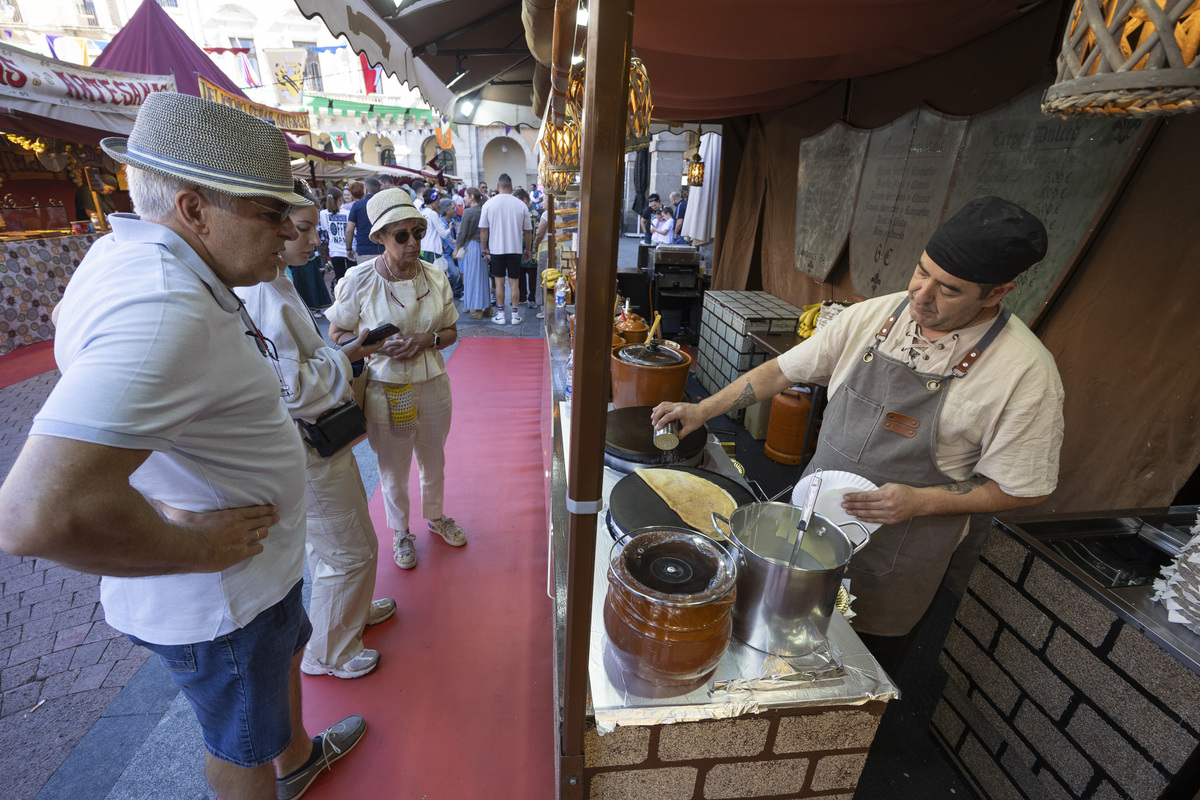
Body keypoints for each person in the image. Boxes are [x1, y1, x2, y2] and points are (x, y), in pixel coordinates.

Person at [0, 92, 365, 800]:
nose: (289, 227)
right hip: (224, 596)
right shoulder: (164, 304)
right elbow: (31, 517)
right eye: (268, 210)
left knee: (272, 698)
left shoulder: (145, 264)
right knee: (241, 746)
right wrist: (196, 547)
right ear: (195, 209)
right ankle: (280, 768)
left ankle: (299, 761)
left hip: (257, 580)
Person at [652, 196, 1064, 676]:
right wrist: (703, 408)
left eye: (948, 290)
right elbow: (781, 373)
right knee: (768, 648)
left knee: (859, 673)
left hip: (900, 551)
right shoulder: (875, 318)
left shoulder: (1025, 372)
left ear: (997, 293)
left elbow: (1021, 488)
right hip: (805, 527)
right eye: (920, 271)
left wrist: (920, 502)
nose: (921, 295)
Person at [234, 179, 396, 681]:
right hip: (307, 442)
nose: (310, 239)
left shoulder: (275, 281)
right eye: (299, 229)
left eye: (309, 228)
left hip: (313, 439)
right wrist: (343, 358)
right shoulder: (265, 289)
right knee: (347, 548)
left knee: (340, 542)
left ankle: (347, 613)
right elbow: (295, 388)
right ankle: (331, 650)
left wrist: (341, 357)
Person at [325, 189, 466, 571]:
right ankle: (401, 532)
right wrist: (374, 347)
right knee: (392, 467)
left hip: (433, 380)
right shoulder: (360, 279)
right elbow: (337, 334)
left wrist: (429, 340)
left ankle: (436, 517)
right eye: (401, 236)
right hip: (386, 388)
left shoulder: (435, 275)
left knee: (433, 458)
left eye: (417, 232)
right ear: (381, 238)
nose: (412, 242)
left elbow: (452, 331)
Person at [479, 173, 532, 325]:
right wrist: (528, 249)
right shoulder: (521, 204)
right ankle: (515, 315)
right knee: (514, 283)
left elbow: (483, 229)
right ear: (511, 186)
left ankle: (501, 314)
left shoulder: (489, 204)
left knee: (499, 282)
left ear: (497, 186)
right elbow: (528, 231)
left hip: (496, 249)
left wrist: (484, 248)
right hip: (515, 249)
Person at [456, 188, 488, 319]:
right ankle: (487, 307)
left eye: (465, 196)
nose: (463, 198)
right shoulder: (483, 210)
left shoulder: (468, 212)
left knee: (472, 277)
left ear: (471, 197)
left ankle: (477, 309)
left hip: (472, 246)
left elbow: (462, 233)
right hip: (483, 246)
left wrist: (457, 247)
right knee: (482, 277)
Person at [345, 176, 382, 262]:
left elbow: (349, 230)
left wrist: (348, 248)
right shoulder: (385, 204)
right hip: (384, 250)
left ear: (365, 190)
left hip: (364, 251)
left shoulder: (357, 205)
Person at [321, 189, 351, 290]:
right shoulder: (348, 213)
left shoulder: (323, 213)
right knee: (353, 278)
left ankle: (342, 300)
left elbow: (325, 228)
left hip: (334, 249)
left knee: (340, 279)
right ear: (341, 198)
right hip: (349, 249)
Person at [418, 187, 448, 263]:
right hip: (433, 250)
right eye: (438, 200)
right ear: (433, 201)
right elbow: (443, 234)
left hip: (422, 249)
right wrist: (450, 229)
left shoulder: (421, 212)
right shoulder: (432, 214)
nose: (439, 203)